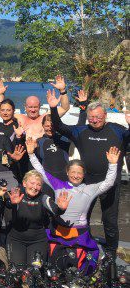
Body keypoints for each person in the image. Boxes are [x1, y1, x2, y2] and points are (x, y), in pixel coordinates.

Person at [46, 91, 129, 258]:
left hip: (110, 182)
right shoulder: (81, 131)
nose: (95, 120)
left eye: (98, 117)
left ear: (105, 115)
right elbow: (60, 127)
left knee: (110, 220)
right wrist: (53, 108)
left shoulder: (117, 130)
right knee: (83, 216)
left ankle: (111, 254)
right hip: (88, 181)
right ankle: (85, 244)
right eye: (91, 117)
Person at [27, 138, 120, 273]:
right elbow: (40, 170)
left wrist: (112, 164)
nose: (76, 175)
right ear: (67, 172)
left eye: (79, 173)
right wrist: (31, 154)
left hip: (79, 234)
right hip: (58, 232)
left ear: (83, 174)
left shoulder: (90, 189)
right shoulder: (58, 184)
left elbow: (109, 182)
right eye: (73, 172)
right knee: (54, 265)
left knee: (79, 268)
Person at [5, 170, 71, 267]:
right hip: (16, 240)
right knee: (17, 271)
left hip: (38, 241)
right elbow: (7, 204)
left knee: (35, 272)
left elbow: (55, 210)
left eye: (38, 185)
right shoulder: (17, 194)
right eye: (32, 183)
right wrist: (12, 203)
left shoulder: (43, 198)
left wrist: (61, 209)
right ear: (24, 183)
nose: (35, 187)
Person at [0, 76, 70, 140]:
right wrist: (1, 94)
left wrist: (62, 91)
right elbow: (2, 112)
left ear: (39, 107)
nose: (33, 110)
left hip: (42, 151)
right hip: (25, 152)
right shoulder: (20, 118)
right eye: (30, 107)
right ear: (25, 107)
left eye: (35, 107)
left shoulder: (45, 117)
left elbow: (64, 108)